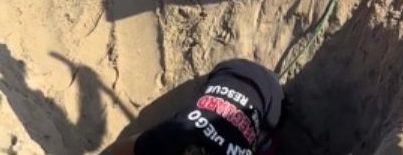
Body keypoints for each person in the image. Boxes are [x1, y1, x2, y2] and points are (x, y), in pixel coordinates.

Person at [102, 58, 284, 155]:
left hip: (258, 89)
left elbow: (126, 148)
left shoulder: (171, 137)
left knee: (266, 143)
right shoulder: (170, 136)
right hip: (234, 74)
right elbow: (127, 147)